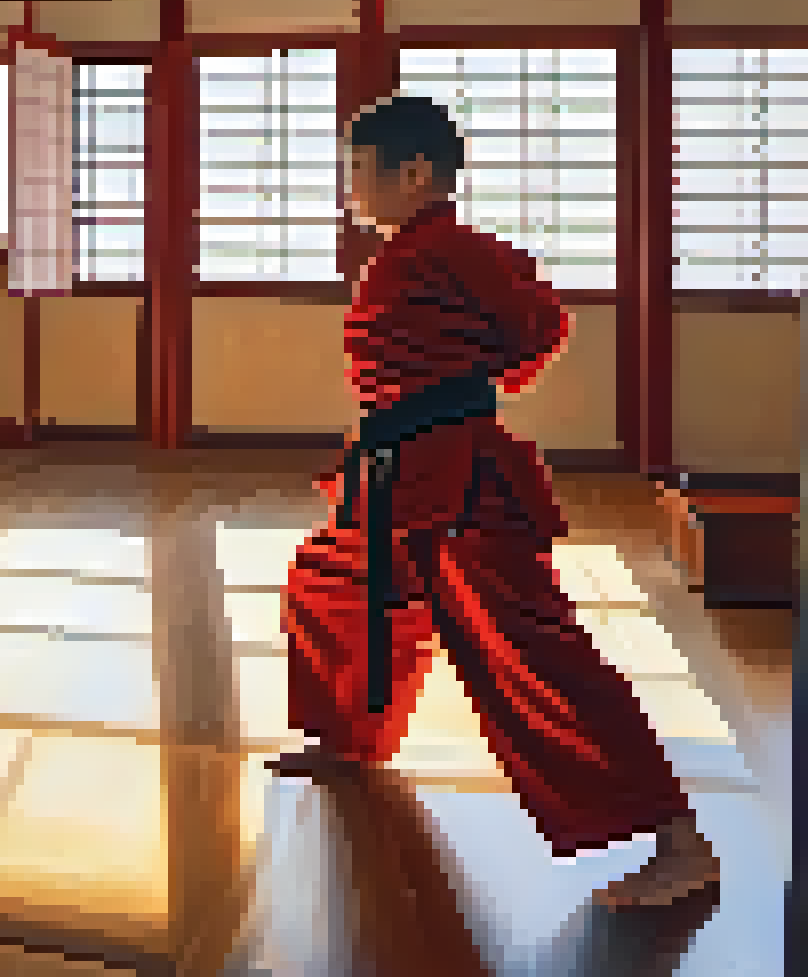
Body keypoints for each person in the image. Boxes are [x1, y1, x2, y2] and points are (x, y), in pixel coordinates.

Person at [275, 95, 719, 909]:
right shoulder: (407, 252)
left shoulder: (456, 250)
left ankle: (677, 838)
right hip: (393, 470)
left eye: (359, 173)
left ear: (414, 174)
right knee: (330, 588)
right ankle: (348, 737)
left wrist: (474, 385)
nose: (351, 191)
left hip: (456, 478)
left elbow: (540, 322)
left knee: (531, 650)